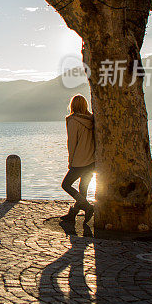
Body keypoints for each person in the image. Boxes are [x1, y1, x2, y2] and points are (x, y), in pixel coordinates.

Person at [60, 94, 96, 224]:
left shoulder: (72, 120)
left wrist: (70, 161)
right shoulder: (92, 119)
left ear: (72, 105)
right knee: (83, 188)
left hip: (79, 161)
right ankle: (73, 215)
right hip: (92, 161)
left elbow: (72, 143)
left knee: (66, 185)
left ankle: (87, 207)